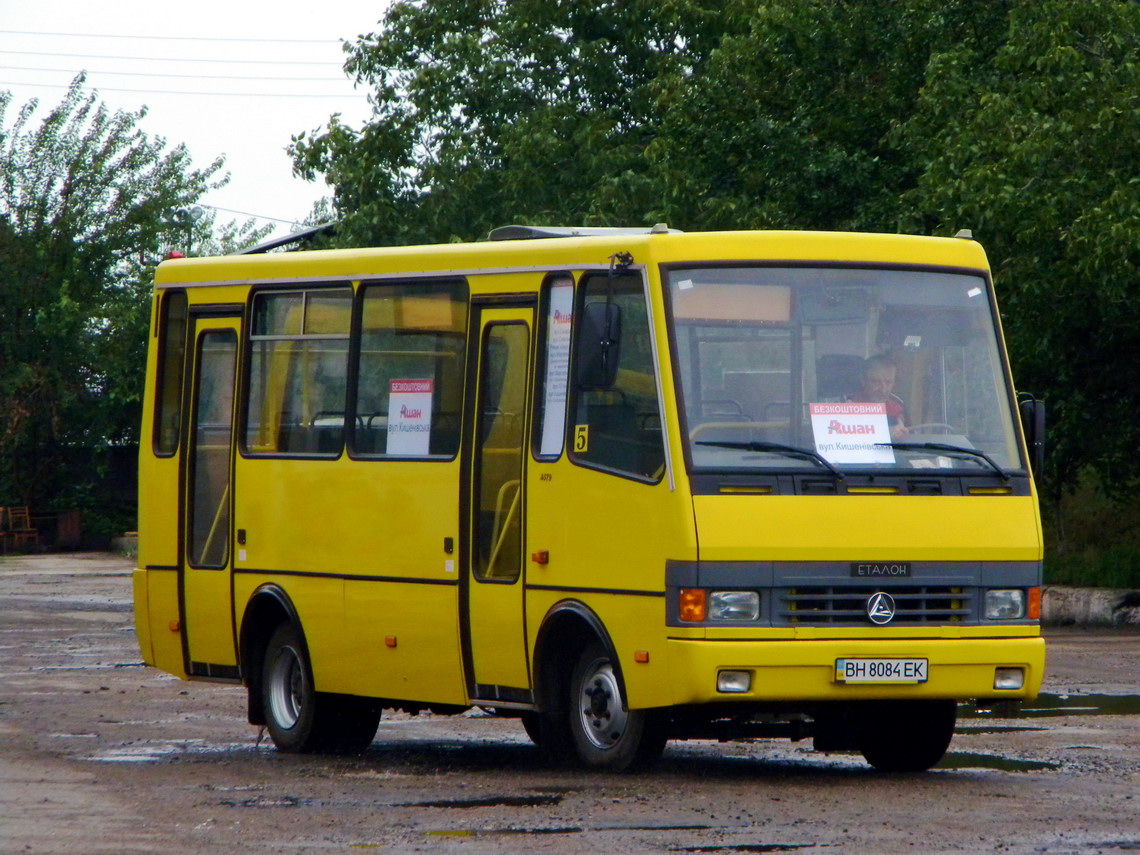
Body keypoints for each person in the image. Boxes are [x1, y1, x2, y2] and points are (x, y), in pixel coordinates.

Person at [849, 354, 908, 441]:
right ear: (863, 380)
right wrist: (886, 432)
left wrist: (902, 433)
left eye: (888, 382)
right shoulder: (845, 409)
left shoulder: (897, 409)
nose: (883, 389)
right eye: (876, 382)